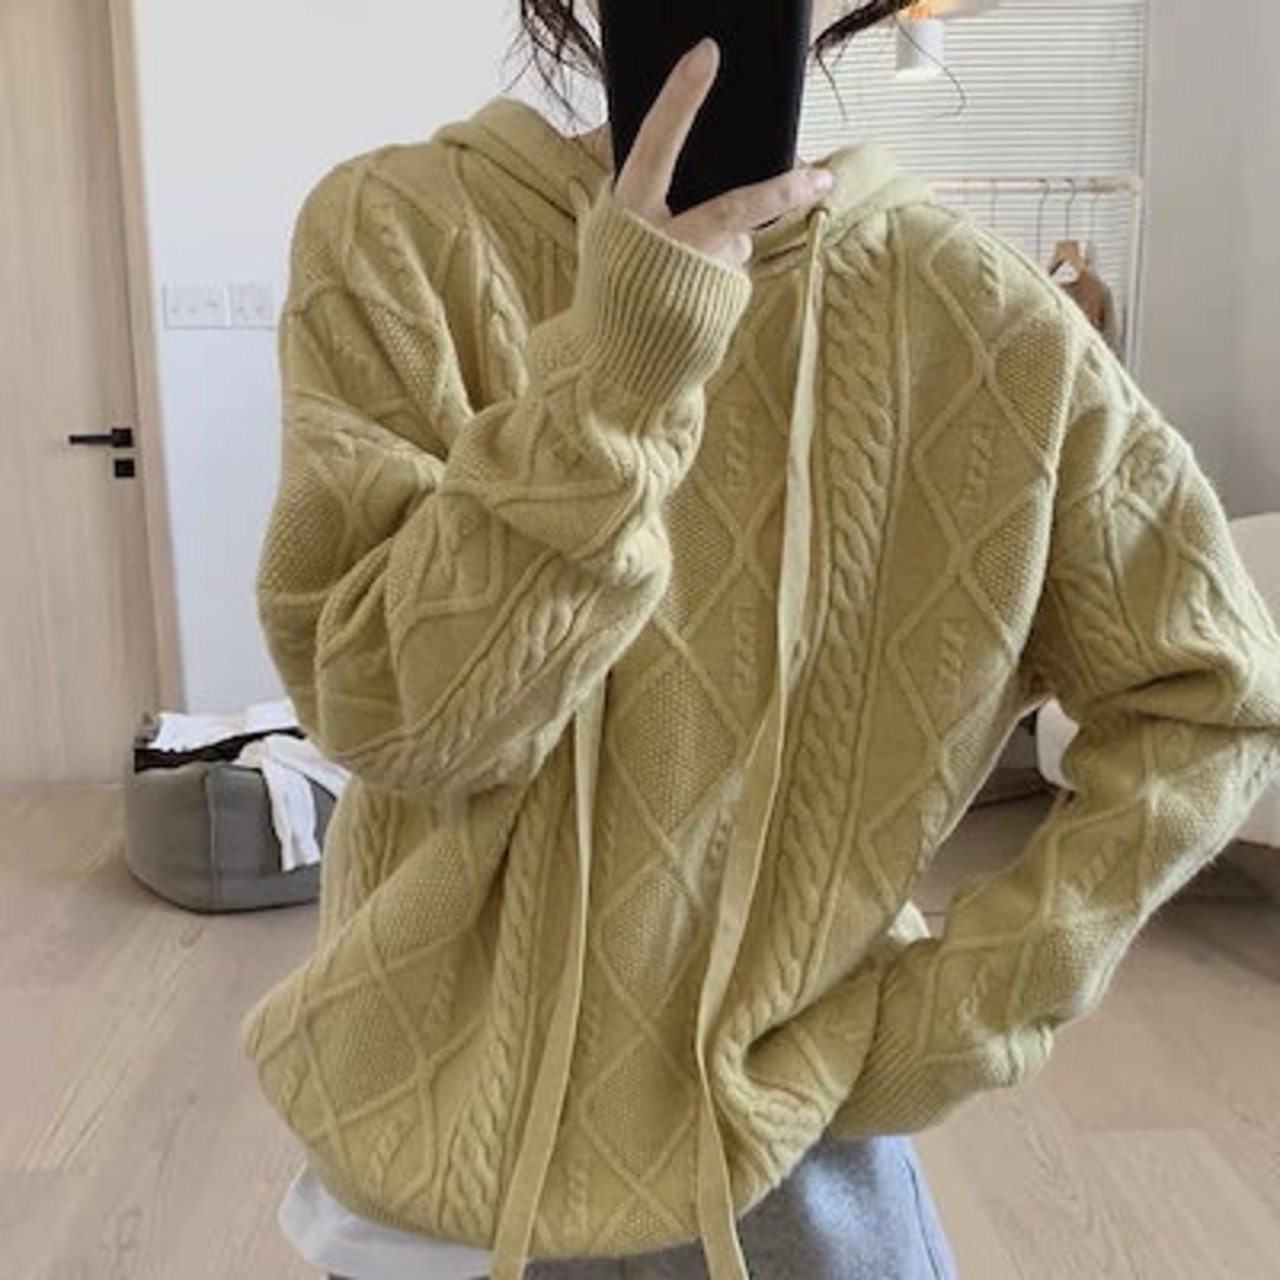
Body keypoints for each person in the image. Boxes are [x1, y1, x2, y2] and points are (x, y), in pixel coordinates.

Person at [238, 2, 1280, 1279]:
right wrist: (617, 380)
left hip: (790, 1177)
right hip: (430, 1173)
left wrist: (947, 1018)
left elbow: (1209, 696)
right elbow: (396, 719)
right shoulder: (396, 232)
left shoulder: (984, 317)